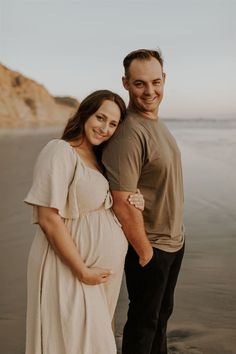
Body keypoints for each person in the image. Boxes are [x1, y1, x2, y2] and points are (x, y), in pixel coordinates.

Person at [24, 90, 145, 354]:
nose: (105, 128)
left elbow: (104, 205)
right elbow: (47, 218)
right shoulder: (60, 151)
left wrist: (136, 200)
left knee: (88, 344)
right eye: (100, 118)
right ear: (85, 114)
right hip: (67, 267)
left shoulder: (99, 161)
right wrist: (82, 270)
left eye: (113, 124)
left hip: (96, 274)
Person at [102, 49, 185, 354]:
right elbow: (121, 200)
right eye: (139, 84)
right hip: (151, 244)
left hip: (173, 240)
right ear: (125, 83)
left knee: (160, 318)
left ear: (164, 80)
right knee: (143, 324)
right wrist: (146, 252)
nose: (149, 91)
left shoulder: (156, 125)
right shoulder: (129, 132)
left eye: (155, 82)